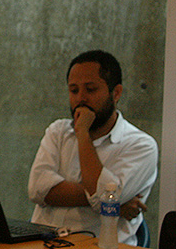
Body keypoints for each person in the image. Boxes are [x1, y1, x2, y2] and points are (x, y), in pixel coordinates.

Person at [28, 50, 158, 246]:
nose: (81, 98)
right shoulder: (58, 131)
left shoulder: (141, 145)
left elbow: (104, 200)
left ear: (116, 93)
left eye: (90, 90)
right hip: (44, 242)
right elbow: (37, 190)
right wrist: (115, 203)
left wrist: (83, 134)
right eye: (74, 91)